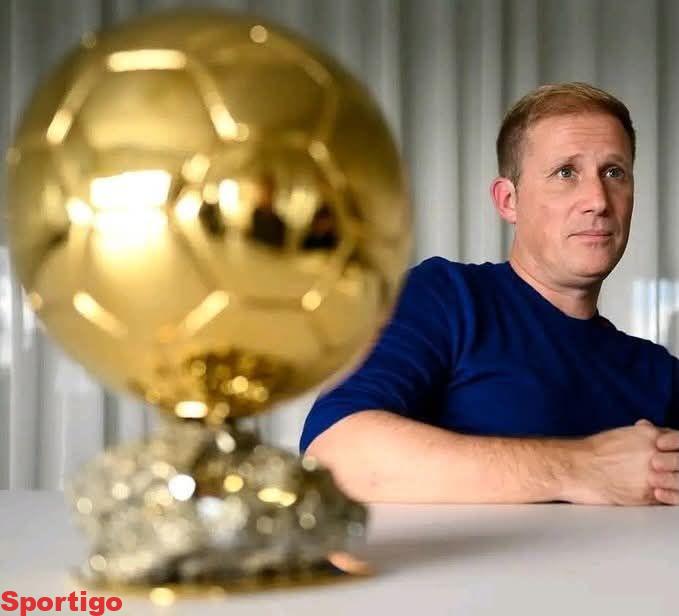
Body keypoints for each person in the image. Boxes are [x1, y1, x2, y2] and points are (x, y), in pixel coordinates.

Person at [299, 82, 679, 507]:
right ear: (508, 201)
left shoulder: (657, 373)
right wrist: (582, 468)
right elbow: (333, 454)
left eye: (614, 173)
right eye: (566, 173)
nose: (598, 201)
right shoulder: (444, 298)